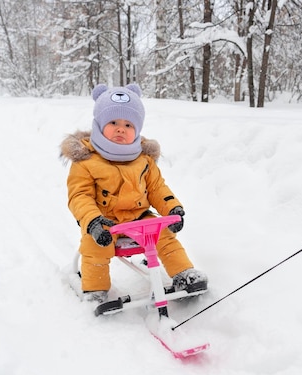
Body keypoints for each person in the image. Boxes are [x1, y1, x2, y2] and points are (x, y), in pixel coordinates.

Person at [60, 83, 208, 303]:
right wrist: (92, 221)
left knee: (166, 236)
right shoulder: (86, 161)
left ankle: (183, 274)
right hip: (105, 223)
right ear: (100, 125)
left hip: (140, 218)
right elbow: (79, 196)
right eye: (113, 123)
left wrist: (172, 208)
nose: (121, 129)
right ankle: (95, 290)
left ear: (137, 129)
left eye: (128, 124)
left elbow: (157, 188)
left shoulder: (143, 159)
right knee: (94, 248)